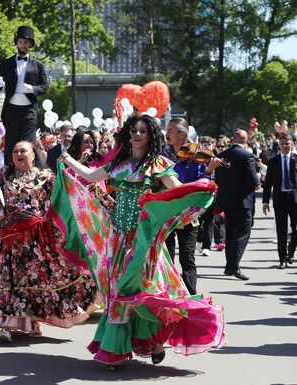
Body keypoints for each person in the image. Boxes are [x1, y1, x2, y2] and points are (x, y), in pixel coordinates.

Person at [55, 115, 225, 369]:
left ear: (150, 136)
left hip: (145, 242)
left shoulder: (158, 165)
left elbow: (176, 188)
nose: (137, 135)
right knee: (118, 292)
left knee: (147, 291)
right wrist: (66, 159)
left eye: (143, 131)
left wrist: (201, 186)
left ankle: (155, 341)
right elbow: (90, 177)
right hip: (118, 239)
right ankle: (115, 350)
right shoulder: (118, 164)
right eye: (134, 130)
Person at [0, 141, 98, 342]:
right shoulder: (3, 176)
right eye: (15, 151)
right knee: (9, 279)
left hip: (37, 238)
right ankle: (5, 325)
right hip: (10, 238)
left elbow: (64, 192)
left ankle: (32, 320)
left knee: (35, 280)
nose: (19, 154)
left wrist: (79, 169)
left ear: (33, 154)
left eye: (24, 151)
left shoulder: (44, 177)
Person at [163, 118, 222, 295]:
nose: (167, 133)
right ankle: (169, 293)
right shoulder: (162, 154)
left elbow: (201, 183)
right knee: (167, 256)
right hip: (167, 210)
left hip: (188, 213)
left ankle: (190, 295)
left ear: (182, 134)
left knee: (187, 258)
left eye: (171, 130)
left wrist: (209, 171)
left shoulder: (197, 156)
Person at [0, 25, 49, 165]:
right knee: (11, 143)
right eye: (20, 42)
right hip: (11, 108)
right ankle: (8, 173)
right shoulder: (6, 63)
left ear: (30, 44)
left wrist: (32, 89)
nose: (23, 45)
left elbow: (45, 86)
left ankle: (29, 172)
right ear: (17, 43)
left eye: (26, 42)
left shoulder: (38, 65)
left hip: (29, 110)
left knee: (27, 144)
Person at [215, 129, 259, 281]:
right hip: (243, 201)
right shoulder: (247, 155)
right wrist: (257, 181)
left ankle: (229, 266)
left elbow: (218, 179)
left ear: (233, 139)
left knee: (231, 232)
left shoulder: (221, 155)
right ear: (246, 140)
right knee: (242, 233)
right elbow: (254, 180)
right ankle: (234, 266)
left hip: (226, 200)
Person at [262, 133, 297, 269]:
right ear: (279, 146)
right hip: (280, 199)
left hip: (294, 199)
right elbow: (268, 183)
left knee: (296, 229)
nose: (285, 146)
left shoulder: (295, 159)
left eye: (287, 143)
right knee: (281, 230)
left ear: (292, 144)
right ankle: (282, 259)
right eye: (282, 144)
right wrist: (265, 201)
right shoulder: (274, 161)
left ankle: (291, 252)